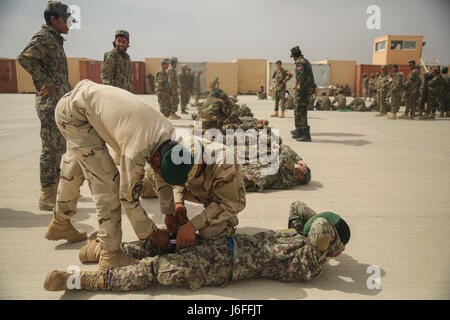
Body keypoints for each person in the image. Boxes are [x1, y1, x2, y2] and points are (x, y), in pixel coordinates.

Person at [44, 201, 350, 292]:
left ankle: (80, 281)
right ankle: (99, 251)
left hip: (219, 266)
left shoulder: (310, 263)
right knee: (161, 243)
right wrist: (325, 226)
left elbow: (320, 227)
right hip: (221, 244)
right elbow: (297, 207)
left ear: (329, 243)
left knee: (155, 270)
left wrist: (333, 245)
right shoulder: (301, 237)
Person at [49, 79, 195, 269]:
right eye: (159, 169)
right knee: (108, 183)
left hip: (83, 103)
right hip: (75, 116)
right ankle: (110, 255)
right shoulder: (137, 150)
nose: (159, 173)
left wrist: (168, 212)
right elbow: (128, 198)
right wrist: (151, 233)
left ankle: (60, 222)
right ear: (157, 161)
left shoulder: (167, 134)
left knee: (74, 168)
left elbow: (162, 175)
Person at [17, 1, 75, 211]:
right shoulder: (44, 38)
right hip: (49, 103)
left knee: (59, 148)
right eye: (65, 19)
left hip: (58, 103)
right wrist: (45, 81)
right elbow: (24, 58)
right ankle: (47, 193)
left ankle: (55, 188)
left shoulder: (55, 40)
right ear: (53, 19)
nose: (68, 23)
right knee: (50, 150)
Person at [243, 144, 311, 192]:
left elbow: (285, 153)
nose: (300, 169)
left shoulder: (290, 179)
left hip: (250, 179)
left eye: (303, 173)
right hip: (247, 169)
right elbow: (284, 147)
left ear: (300, 181)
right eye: (302, 168)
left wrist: (297, 160)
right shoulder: (289, 170)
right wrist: (299, 160)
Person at [290, 46, 316, 142]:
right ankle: (299, 131)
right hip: (305, 90)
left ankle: (305, 134)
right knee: (299, 110)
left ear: (294, 55)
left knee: (301, 111)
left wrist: (298, 87)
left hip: (303, 91)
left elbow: (300, 77)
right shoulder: (305, 61)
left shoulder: (300, 62)